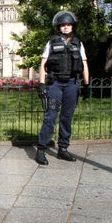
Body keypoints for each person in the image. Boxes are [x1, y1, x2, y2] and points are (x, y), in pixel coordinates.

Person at [35, 11, 90, 166]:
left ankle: (63, 149)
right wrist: (41, 84)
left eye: (68, 24)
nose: (65, 27)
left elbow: (84, 63)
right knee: (50, 116)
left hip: (72, 84)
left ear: (72, 26)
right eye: (63, 25)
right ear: (59, 27)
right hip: (55, 84)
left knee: (67, 117)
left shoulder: (78, 43)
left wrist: (86, 85)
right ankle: (41, 149)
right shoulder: (51, 42)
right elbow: (43, 63)